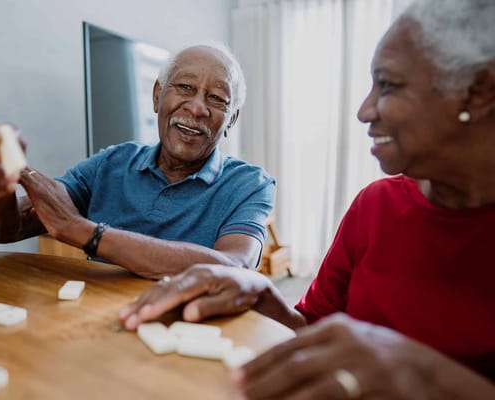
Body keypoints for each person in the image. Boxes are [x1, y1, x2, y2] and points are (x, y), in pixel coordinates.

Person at [119, 0, 495, 397]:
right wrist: (261, 292)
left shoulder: (248, 182)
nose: (364, 111)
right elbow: (310, 328)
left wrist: (425, 374)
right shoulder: (376, 206)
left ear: (477, 93)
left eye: (388, 85)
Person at [0, 44, 275, 279]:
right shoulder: (111, 164)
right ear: (158, 95)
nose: (198, 107)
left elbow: (233, 268)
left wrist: (85, 232)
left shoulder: (250, 184)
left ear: (231, 119)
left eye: (217, 98)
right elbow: (4, 229)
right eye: (185, 87)